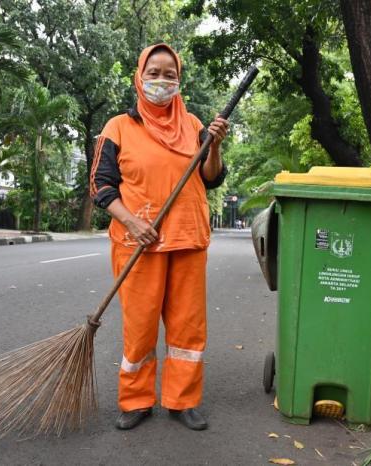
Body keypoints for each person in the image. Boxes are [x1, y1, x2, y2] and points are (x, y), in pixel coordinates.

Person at [89, 43, 228, 431]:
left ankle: (182, 401)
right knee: (140, 327)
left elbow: (212, 176)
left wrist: (214, 144)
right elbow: (100, 187)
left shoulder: (194, 125)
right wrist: (132, 222)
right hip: (139, 242)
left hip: (187, 238)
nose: (162, 81)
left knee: (187, 328)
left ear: (179, 80)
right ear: (140, 76)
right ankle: (136, 400)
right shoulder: (118, 127)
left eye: (170, 75)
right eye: (154, 73)